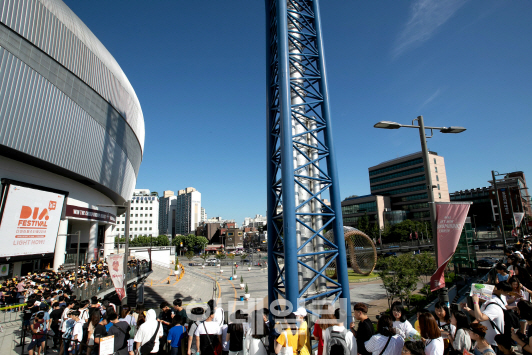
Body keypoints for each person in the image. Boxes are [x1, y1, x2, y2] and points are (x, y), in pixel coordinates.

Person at [462, 281, 512, 348]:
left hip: (493, 343)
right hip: (487, 341)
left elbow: (480, 318)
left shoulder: (493, 306)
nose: (474, 296)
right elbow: (478, 315)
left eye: (476, 294)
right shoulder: (487, 304)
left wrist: (475, 302)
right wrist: (467, 309)